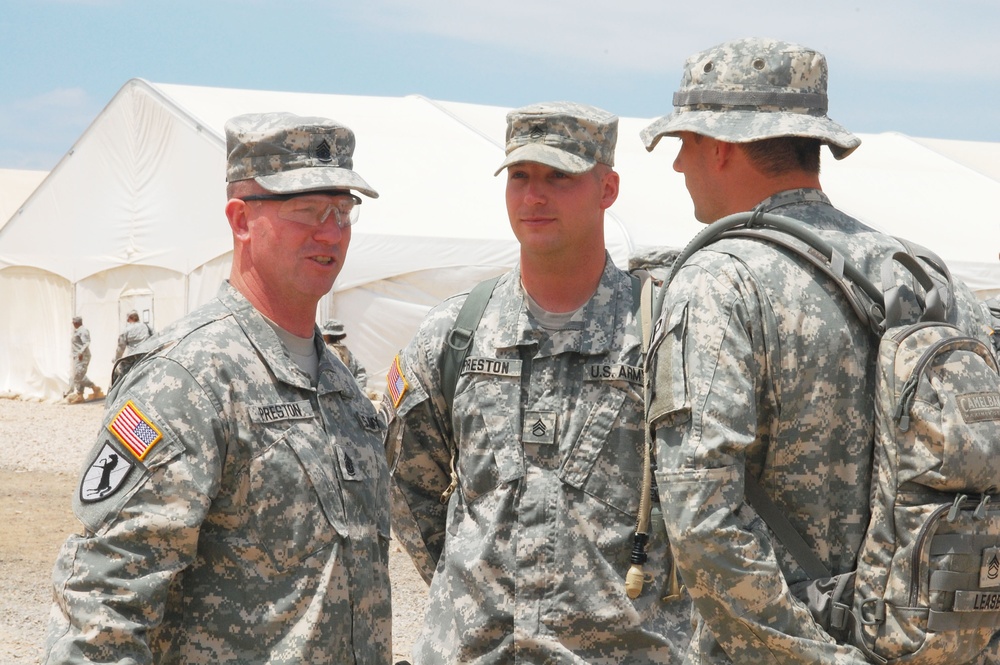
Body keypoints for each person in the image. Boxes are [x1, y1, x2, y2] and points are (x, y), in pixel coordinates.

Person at [640, 37, 996, 663]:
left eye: (684, 144)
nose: (677, 167)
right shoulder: (931, 281)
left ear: (721, 146)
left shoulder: (720, 280)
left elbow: (702, 522)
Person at [43, 112, 392, 664]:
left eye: (342, 211)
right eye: (306, 211)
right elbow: (104, 609)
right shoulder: (186, 381)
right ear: (241, 220)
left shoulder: (340, 387)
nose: (331, 232)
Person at [386, 101, 690, 664]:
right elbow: (408, 484)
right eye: (520, 177)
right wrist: (472, 591)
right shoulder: (457, 332)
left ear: (608, 189)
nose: (534, 197)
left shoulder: (661, 333)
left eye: (559, 177)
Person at [322, 318, 368, 390]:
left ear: (326, 335)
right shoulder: (347, 352)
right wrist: (357, 390)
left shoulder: (326, 352)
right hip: (349, 395)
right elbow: (361, 372)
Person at [67, 316, 102, 403]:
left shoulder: (83, 331)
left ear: (76, 322)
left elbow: (86, 342)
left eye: (73, 322)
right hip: (77, 356)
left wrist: (81, 352)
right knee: (79, 375)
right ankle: (80, 395)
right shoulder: (77, 331)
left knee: (78, 375)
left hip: (82, 356)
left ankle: (94, 387)